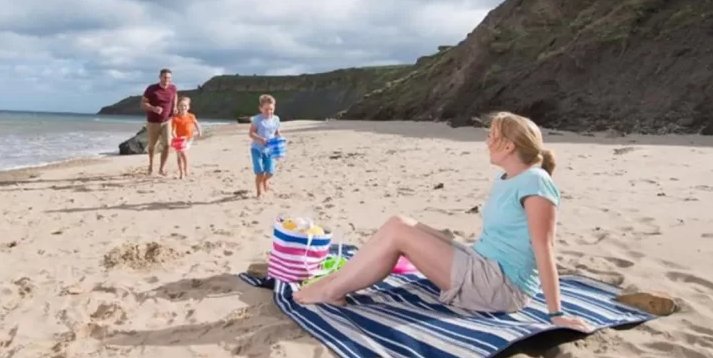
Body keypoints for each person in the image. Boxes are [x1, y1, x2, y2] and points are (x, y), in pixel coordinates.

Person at [293, 111, 591, 331]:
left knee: (399, 231)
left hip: (501, 287)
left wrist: (556, 315)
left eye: (492, 135)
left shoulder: (535, 181)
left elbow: (545, 248)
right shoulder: (507, 179)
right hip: (482, 263)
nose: (487, 141)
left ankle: (331, 291)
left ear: (509, 146)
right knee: (401, 221)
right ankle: (336, 282)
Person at [140, 68, 177, 175]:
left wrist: (174, 107)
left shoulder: (173, 88)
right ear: (160, 77)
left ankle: (162, 168)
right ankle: (151, 165)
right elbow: (143, 104)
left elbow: (175, 96)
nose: (167, 80)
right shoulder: (152, 89)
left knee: (167, 145)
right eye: (165, 77)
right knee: (152, 145)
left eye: (169, 78)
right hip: (153, 122)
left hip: (167, 121)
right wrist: (153, 108)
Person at [248, 94, 281, 198]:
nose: (269, 112)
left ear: (274, 108)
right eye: (266, 109)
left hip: (269, 149)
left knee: (270, 172)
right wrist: (260, 139)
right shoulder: (257, 119)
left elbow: (276, 132)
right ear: (261, 108)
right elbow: (251, 133)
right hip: (256, 149)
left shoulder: (276, 119)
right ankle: (259, 192)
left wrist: (279, 141)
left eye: (271, 109)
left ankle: (265, 181)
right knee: (259, 172)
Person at [170, 96, 202, 179]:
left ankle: (186, 168)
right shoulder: (175, 118)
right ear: (178, 107)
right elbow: (173, 130)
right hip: (179, 139)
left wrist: (199, 131)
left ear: (188, 107)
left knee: (183, 153)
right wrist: (175, 137)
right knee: (179, 156)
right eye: (181, 105)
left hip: (188, 139)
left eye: (185, 106)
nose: (183, 107)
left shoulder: (191, 116)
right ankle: (181, 173)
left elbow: (196, 124)